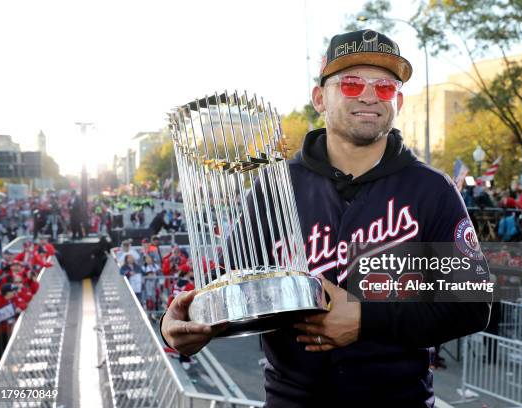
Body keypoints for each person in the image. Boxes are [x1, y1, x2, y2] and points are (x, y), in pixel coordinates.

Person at [160, 29, 492, 407]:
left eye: (384, 87)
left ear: (397, 100)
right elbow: (228, 287)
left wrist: (366, 320)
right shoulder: (276, 185)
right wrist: (178, 323)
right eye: (350, 84)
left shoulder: (432, 189)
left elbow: (472, 307)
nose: (369, 95)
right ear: (320, 97)